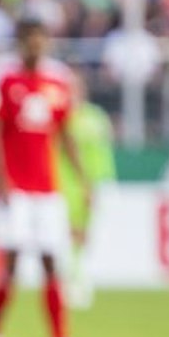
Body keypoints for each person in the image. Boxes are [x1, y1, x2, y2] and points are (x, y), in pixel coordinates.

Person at [0, 18, 88, 337]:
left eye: (41, 40)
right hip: (17, 189)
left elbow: (64, 133)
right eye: (30, 40)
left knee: (52, 263)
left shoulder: (57, 82)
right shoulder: (5, 81)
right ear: (20, 43)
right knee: (11, 262)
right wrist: (1, 179)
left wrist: (81, 176)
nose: (36, 46)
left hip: (47, 189)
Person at [57, 98, 117, 309]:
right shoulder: (65, 116)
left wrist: (100, 178)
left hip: (97, 177)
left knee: (85, 231)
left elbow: (105, 145)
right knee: (72, 229)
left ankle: (79, 273)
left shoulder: (96, 115)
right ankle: (73, 276)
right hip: (70, 180)